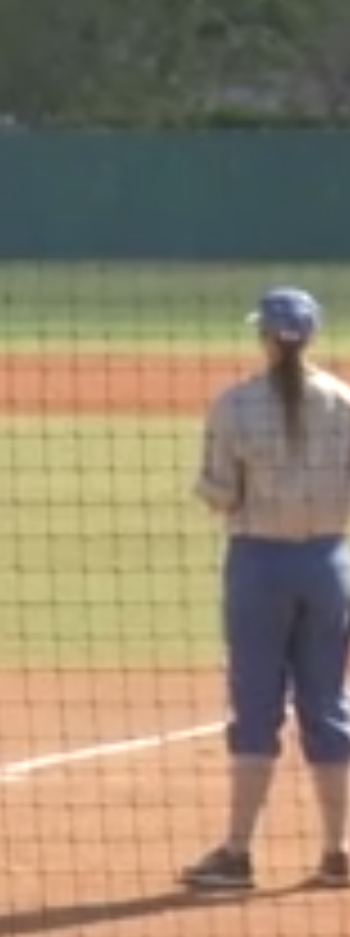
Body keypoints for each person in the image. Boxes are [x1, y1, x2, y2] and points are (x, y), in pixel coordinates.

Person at [182, 285, 350, 891]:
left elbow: (219, 492)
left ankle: (237, 853)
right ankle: (338, 853)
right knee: (327, 706)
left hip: (259, 567)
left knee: (256, 707)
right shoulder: (343, 401)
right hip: (330, 567)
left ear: (264, 337)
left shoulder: (236, 405)